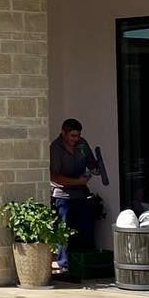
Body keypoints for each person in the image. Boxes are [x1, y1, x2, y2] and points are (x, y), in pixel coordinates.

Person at [50, 117, 99, 278]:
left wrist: (95, 169)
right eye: (72, 136)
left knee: (84, 227)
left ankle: (83, 263)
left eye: (77, 135)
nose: (75, 139)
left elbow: (91, 163)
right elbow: (54, 177)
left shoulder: (82, 145)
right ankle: (62, 265)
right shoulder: (56, 148)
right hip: (62, 195)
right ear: (63, 133)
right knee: (63, 229)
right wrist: (77, 181)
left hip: (81, 193)